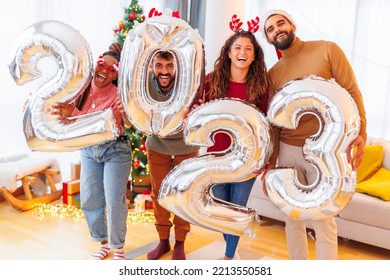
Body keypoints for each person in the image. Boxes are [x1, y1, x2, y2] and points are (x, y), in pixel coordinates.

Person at [261, 9, 367, 260]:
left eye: (281, 23)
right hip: (288, 150)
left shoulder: (327, 50)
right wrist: (270, 165)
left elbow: (352, 91)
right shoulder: (273, 74)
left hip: (324, 151)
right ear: (268, 39)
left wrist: (362, 131)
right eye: (270, 29)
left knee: (324, 219)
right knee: (292, 218)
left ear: (292, 24)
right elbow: (274, 124)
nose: (277, 30)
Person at [51, 50, 132, 260]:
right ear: (96, 64)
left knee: (114, 200)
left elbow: (104, 126)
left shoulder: (118, 95)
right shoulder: (81, 88)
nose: (104, 70)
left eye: (111, 69)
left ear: (116, 74)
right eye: (102, 64)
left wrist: (74, 114)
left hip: (115, 150)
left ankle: (118, 248)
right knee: (90, 198)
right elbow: (61, 109)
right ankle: (104, 244)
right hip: (88, 150)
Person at [198, 30, 269, 260]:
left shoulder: (260, 86)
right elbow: (201, 112)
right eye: (238, 48)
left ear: (254, 56)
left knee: (237, 208)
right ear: (229, 53)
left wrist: (264, 159)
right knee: (221, 209)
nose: (243, 52)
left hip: (246, 160)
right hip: (216, 156)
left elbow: (265, 125)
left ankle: (229, 257)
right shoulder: (212, 80)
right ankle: (232, 247)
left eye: (248, 49)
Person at [146, 51, 200, 260]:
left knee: (182, 195)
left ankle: (179, 242)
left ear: (176, 67)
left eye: (169, 66)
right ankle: (162, 241)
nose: (164, 71)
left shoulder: (188, 84)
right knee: (159, 195)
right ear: (152, 66)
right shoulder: (145, 86)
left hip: (185, 146)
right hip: (157, 145)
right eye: (159, 66)